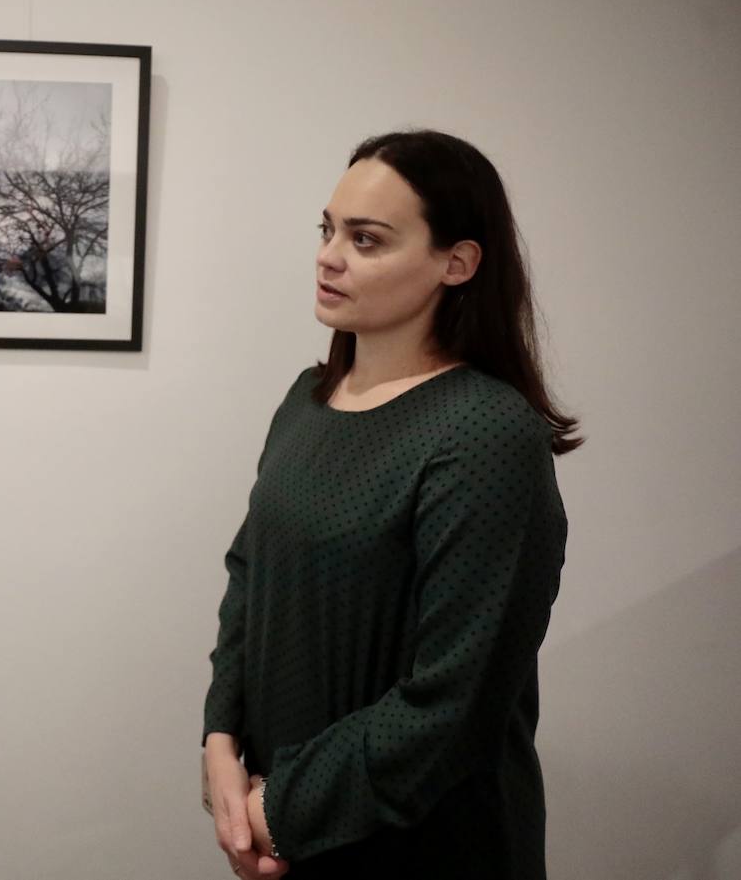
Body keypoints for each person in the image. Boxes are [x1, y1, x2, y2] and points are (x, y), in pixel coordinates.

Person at [201, 129, 581, 879]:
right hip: (290, 825)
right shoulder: (306, 400)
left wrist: (276, 811)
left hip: (423, 847)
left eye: (366, 239)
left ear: (457, 262)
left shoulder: (485, 432)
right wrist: (221, 738)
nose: (329, 255)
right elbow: (251, 576)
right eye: (328, 230)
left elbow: (455, 700)